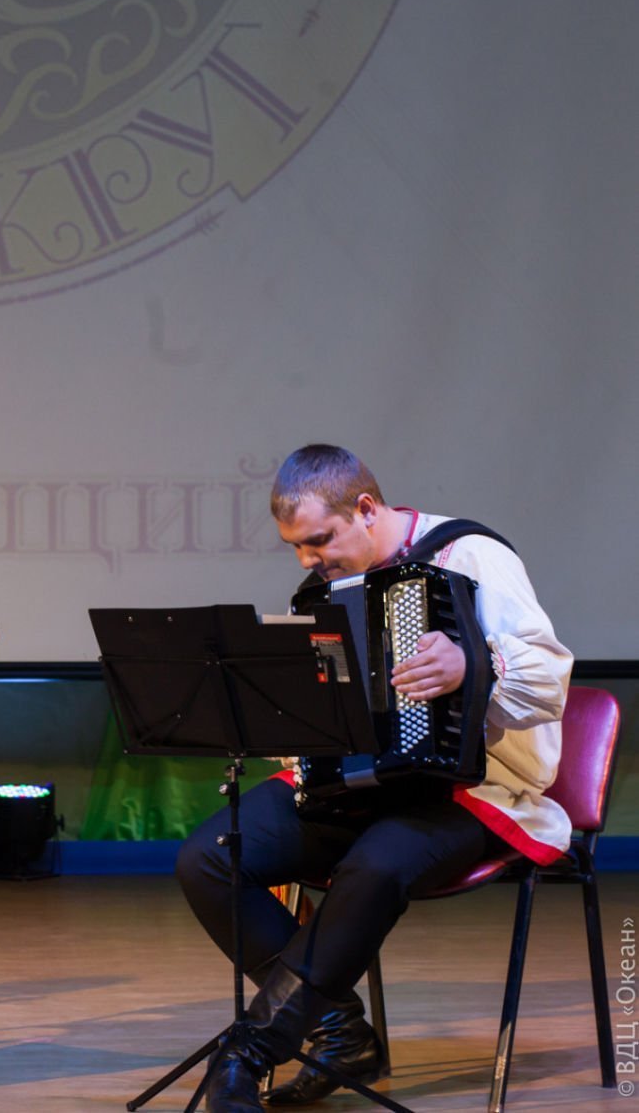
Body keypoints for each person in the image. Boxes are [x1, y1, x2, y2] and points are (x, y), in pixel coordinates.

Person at [175, 444, 571, 1112]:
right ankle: (338, 1031)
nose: (307, 560)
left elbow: (549, 676)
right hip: (358, 783)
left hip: (469, 788)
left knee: (376, 863)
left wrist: (472, 663)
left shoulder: (469, 555)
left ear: (364, 509)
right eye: (295, 547)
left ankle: (252, 1050)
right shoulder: (326, 590)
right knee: (209, 857)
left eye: (319, 540)